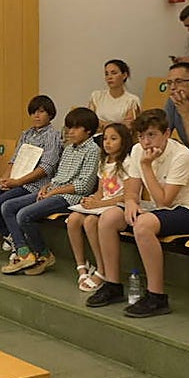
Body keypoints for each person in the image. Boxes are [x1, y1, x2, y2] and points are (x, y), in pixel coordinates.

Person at [87, 109, 189, 317]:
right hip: (156, 208)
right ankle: (112, 285)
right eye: (141, 136)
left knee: (143, 226)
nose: (146, 142)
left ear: (167, 133)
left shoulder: (181, 156)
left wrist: (146, 166)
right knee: (108, 218)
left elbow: (164, 201)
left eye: (152, 135)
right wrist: (130, 202)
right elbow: (132, 189)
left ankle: (157, 296)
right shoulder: (137, 150)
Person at [1, 107, 100, 275]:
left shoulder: (93, 150)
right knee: (7, 207)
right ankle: (24, 253)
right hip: (54, 191)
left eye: (76, 128)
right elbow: (58, 177)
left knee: (24, 215)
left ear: (88, 130)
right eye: (69, 127)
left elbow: (84, 186)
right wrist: (46, 187)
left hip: (70, 197)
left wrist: (53, 192)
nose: (70, 132)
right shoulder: (69, 148)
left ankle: (44, 254)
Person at [0, 95, 62, 247]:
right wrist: (5, 178)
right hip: (15, 180)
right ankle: (11, 234)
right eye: (33, 112)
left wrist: (18, 182)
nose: (36, 116)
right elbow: (14, 159)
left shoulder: (53, 136)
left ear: (50, 114)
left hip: (34, 185)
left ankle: (18, 240)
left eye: (41, 112)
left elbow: (46, 168)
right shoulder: (26, 134)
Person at [66, 122, 133, 292]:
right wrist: (90, 200)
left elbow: (128, 195)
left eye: (113, 139)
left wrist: (99, 203)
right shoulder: (104, 161)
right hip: (102, 205)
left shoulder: (128, 163)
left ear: (124, 141)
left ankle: (102, 269)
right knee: (73, 219)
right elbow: (101, 191)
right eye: (105, 139)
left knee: (90, 222)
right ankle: (81, 266)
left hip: (118, 206)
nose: (108, 143)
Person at [89, 59, 141, 128]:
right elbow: (90, 121)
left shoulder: (132, 100)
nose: (109, 77)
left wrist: (103, 124)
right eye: (107, 74)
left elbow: (128, 126)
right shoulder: (96, 96)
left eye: (114, 73)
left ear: (124, 75)